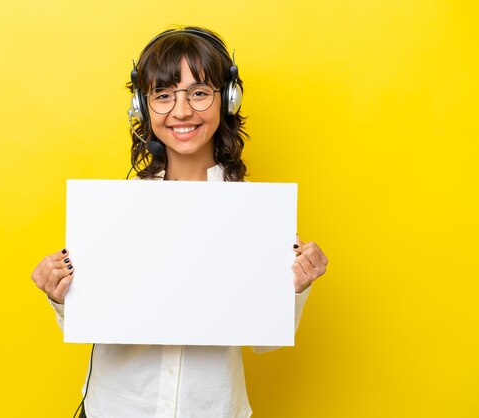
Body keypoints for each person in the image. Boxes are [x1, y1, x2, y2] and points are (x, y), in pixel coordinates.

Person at [31, 26, 328, 418]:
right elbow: (91, 318)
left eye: (200, 92)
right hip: (117, 406)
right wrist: (59, 293)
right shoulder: (115, 213)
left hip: (209, 408)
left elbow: (265, 341)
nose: (182, 110)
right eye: (164, 95)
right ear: (142, 106)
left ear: (229, 101)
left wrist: (297, 285)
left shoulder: (255, 217)